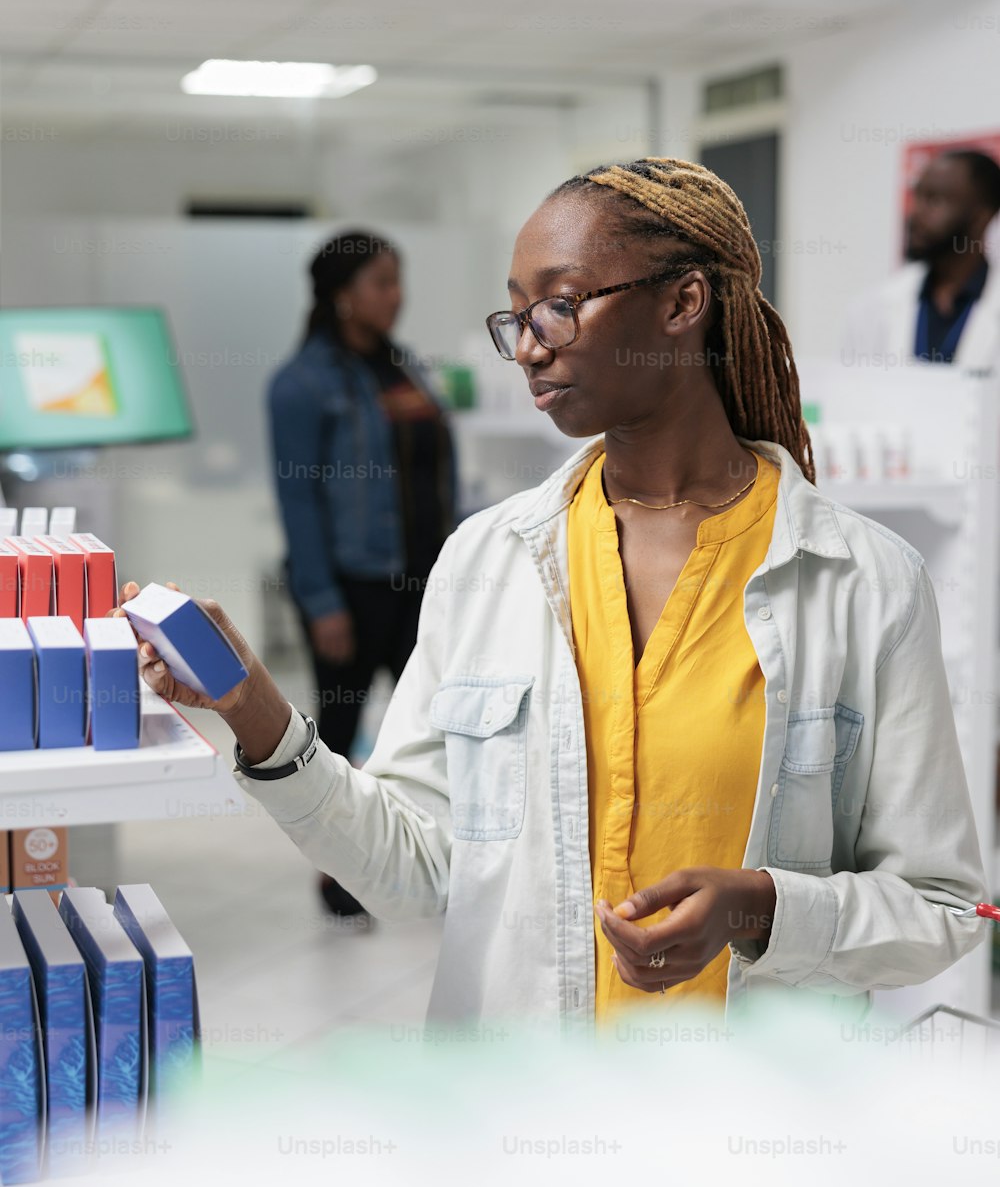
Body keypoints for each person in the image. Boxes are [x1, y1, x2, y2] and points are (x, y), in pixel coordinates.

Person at [120, 158, 988, 1026]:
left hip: (752, 1130)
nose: (530, 343)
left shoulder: (865, 582)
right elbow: (418, 873)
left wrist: (760, 907)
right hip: (521, 1120)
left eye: (562, 304)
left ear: (683, 303)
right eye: (518, 314)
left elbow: (941, 910)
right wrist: (260, 719)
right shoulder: (489, 562)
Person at [266, 230, 457, 917]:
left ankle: (433, 856)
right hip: (351, 586)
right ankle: (339, 873)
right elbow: (299, 499)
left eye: (399, 279)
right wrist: (321, 602)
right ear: (343, 295)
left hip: (422, 581)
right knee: (341, 733)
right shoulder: (301, 384)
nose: (396, 295)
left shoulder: (403, 369)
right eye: (382, 282)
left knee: (436, 726)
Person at [843, 148, 1000, 366]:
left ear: (980, 217)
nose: (916, 213)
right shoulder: (873, 307)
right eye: (917, 196)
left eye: (935, 200)